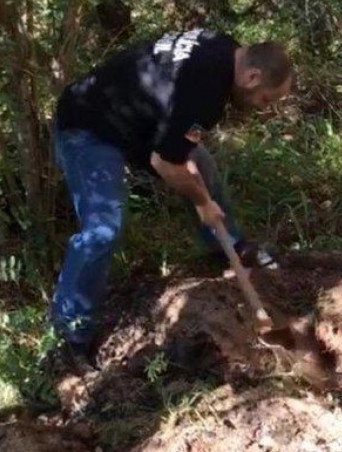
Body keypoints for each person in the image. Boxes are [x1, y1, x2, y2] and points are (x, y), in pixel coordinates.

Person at [49, 28, 293, 368]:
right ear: (252, 76)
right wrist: (203, 203)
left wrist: (199, 188)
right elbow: (164, 162)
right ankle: (69, 335)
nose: (263, 108)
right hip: (87, 128)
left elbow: (177, 138)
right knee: (103, 229)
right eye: (266, 99)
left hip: (131, 120)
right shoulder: (205, 91)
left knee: (200, 162)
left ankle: (228, 246)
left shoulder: (223, 48)